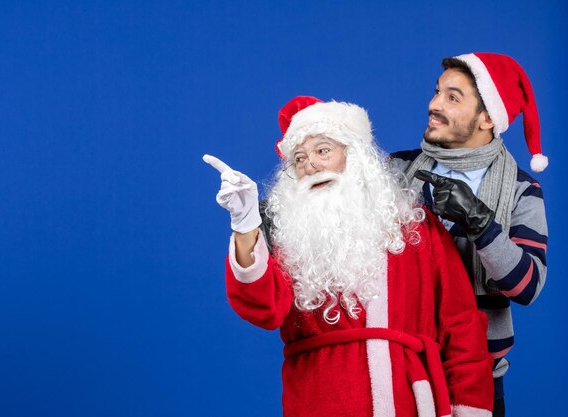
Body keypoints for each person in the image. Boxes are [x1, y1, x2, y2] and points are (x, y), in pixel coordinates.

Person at [204, 96, 494, 417]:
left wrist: (470, 409)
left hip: (409, 402)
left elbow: (462, 325)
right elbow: (263, 309)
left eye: (323, 151)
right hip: (318, 400)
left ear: (355, 157)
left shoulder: (416, 226)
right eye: (298, 159)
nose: (310, 165)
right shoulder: (290, 238)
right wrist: (245, 226)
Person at [389, 53, 549, 417]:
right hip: (399, 373)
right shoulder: (395, 171)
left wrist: (479, 221)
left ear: (488, 117)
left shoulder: (522, 191)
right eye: (437, 92)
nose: (434, 104)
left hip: (481, 378)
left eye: (452, 97)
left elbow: (528, 286)